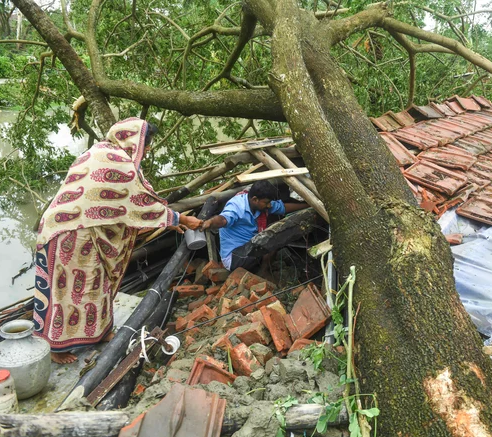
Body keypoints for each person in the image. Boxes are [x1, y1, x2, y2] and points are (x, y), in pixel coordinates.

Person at [34, 117, 202, 364]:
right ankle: (56, 348)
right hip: (71, 231)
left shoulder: (102, 152)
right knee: (68, 292)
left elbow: (131, 200)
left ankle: (98, 333)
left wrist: (171, 219)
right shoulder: (116, 162)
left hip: (83, 227)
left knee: (96, 283)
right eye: (147, 143)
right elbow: (138, 204)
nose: (146, 149)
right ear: (134, 139)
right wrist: (181, 220)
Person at [200, 181, 309, 272]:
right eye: (266, 202)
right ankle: (263, 272)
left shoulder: (261, 205)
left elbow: (282, 207)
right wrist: (210, 222)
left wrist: (309, 204)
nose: (269, 205)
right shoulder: (237, 206)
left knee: (273, 231)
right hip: (234, 258)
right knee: (273, 236)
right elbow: (223, 219)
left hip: (248, 249)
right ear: (255, 199)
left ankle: (262, 268)